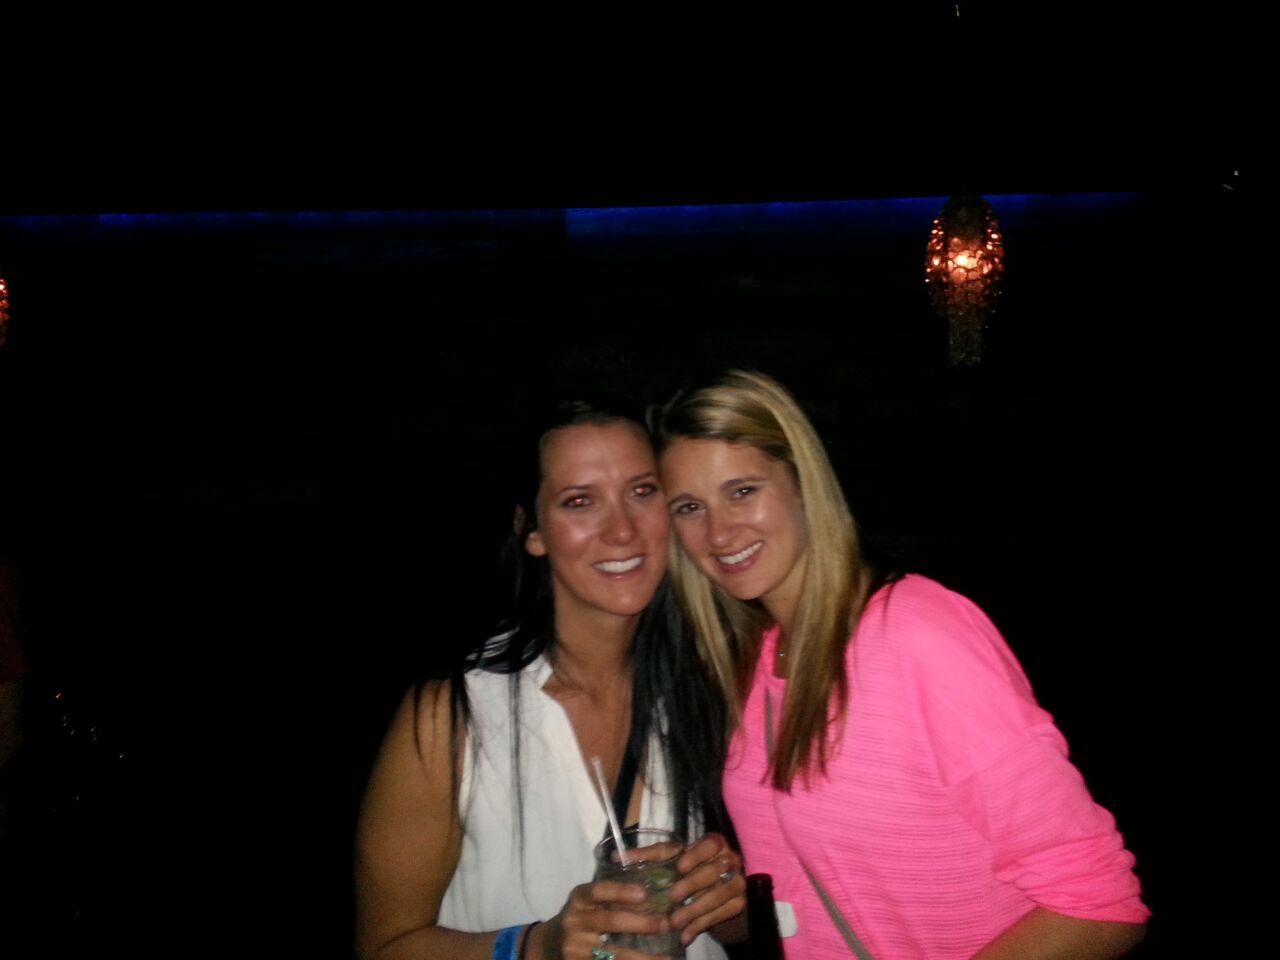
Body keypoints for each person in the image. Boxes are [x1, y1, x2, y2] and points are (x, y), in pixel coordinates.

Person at [651, 371, 1149, 960]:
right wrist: (726, 903)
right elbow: (808, 901)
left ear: (803, 483)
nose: (719, 531)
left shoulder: (918, 634)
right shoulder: (757, 667)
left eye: (742, 491)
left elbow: (1099, 907)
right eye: (690, 507)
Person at [356, 398, 747, 960]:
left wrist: (726, 902)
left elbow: (746, 925)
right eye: (579, 501)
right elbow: (384, 946)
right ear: (533, 531)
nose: (622, 530)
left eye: (642, 491)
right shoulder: (453, 716)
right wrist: (536, 945)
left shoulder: (715, 690)